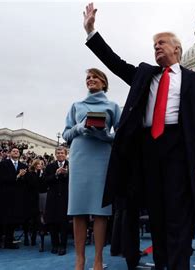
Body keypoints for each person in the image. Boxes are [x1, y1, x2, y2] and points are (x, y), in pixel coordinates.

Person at [83, 4, 195, 270]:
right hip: (146, 149)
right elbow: (115, 62)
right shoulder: (145, 74)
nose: (156, 47)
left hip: (178, 147)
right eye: (154, 44)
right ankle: (160, 261)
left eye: (161, 43)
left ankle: (179, 265)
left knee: (178, 213)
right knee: (156, 212)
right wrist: (91, 32)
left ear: (177, 49)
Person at [62, 68, 121, 270]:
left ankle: (97, 259)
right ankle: (79, 259)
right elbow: (66, 134)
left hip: (102, 158)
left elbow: (121, 136)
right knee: (78, 210)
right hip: (79, 158)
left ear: (104, 82)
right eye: (88, 77)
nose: (91, 80)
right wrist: (80, 128)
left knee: (100, 211)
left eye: (95, 77)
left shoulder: (113, 106)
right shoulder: (76, 106)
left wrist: (104, 134)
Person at [0, 147, 27, 249]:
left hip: (18, 197)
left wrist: (22, 177)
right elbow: (0, 179)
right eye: (14, 151)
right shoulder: (2, 164)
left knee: (13, 220)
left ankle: (9, 241)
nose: (16, 152)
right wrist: (17, 176)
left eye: (17, 151)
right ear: (9, 153)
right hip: (5, 196)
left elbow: (25, 182)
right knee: (3, 219)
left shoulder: (23, 166)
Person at [44, 147, 70, 256]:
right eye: (58, 153)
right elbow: (45, 181)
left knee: (64, 223)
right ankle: (55, 244)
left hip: (66, 198)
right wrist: (55, 174)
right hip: (52, 198)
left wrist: (66, 174)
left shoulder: (71, 165)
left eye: (62, 153)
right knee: (53, 222)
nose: (60, 154)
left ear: (66, 154)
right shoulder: (50, 166)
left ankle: (63, 246)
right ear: (55, 154)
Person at [23, 159, 44, 246]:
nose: (40, 165)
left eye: (41, 164)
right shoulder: (29, 174)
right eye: (38, 164)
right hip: (28, 198)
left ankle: (34, 237)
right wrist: (39, 174)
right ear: (35, 165)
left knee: (36, 219)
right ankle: (26, 237)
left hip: (37, 198)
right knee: (27, 219)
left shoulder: (41, 174)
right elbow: (32, 184)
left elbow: (42, 186)